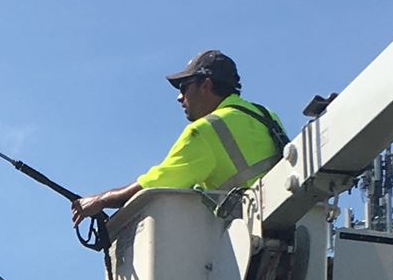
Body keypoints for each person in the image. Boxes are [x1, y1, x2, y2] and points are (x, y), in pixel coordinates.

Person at [71, 50, 290, 229]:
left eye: (184, 87)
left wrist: (101, 200)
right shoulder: (266, 116)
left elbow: (155, 184)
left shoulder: (206, 130)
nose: (179, 97)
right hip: (295, 229)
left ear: (205, 85)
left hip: (249, 240)